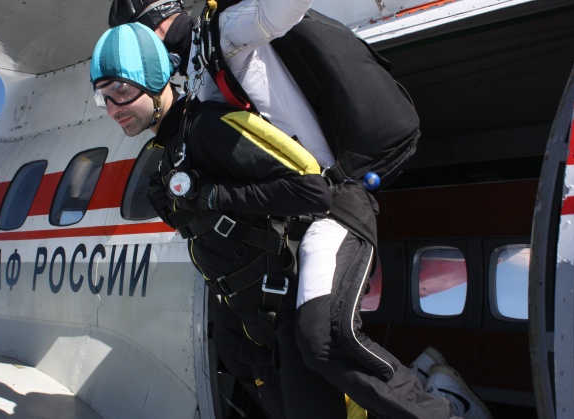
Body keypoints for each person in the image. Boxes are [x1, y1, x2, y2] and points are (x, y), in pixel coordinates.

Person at [106, 2, 493, 419]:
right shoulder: (199, 72)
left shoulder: (224, 32)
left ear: (150, 31)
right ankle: (423, 381)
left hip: (330, 201)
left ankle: (447, 410)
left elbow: (278, 11)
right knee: (259, 350)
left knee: (321, 338)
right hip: (300, 214)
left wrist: (215, 197)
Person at [90, 22, 350, 419]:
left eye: (121, 90)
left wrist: (214, 195)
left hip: (283, 313)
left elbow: (313, 191)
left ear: (154, 80)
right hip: (249, 321)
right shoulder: (168, 152)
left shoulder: (206, 128)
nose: (112, 108)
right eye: (102, 97)